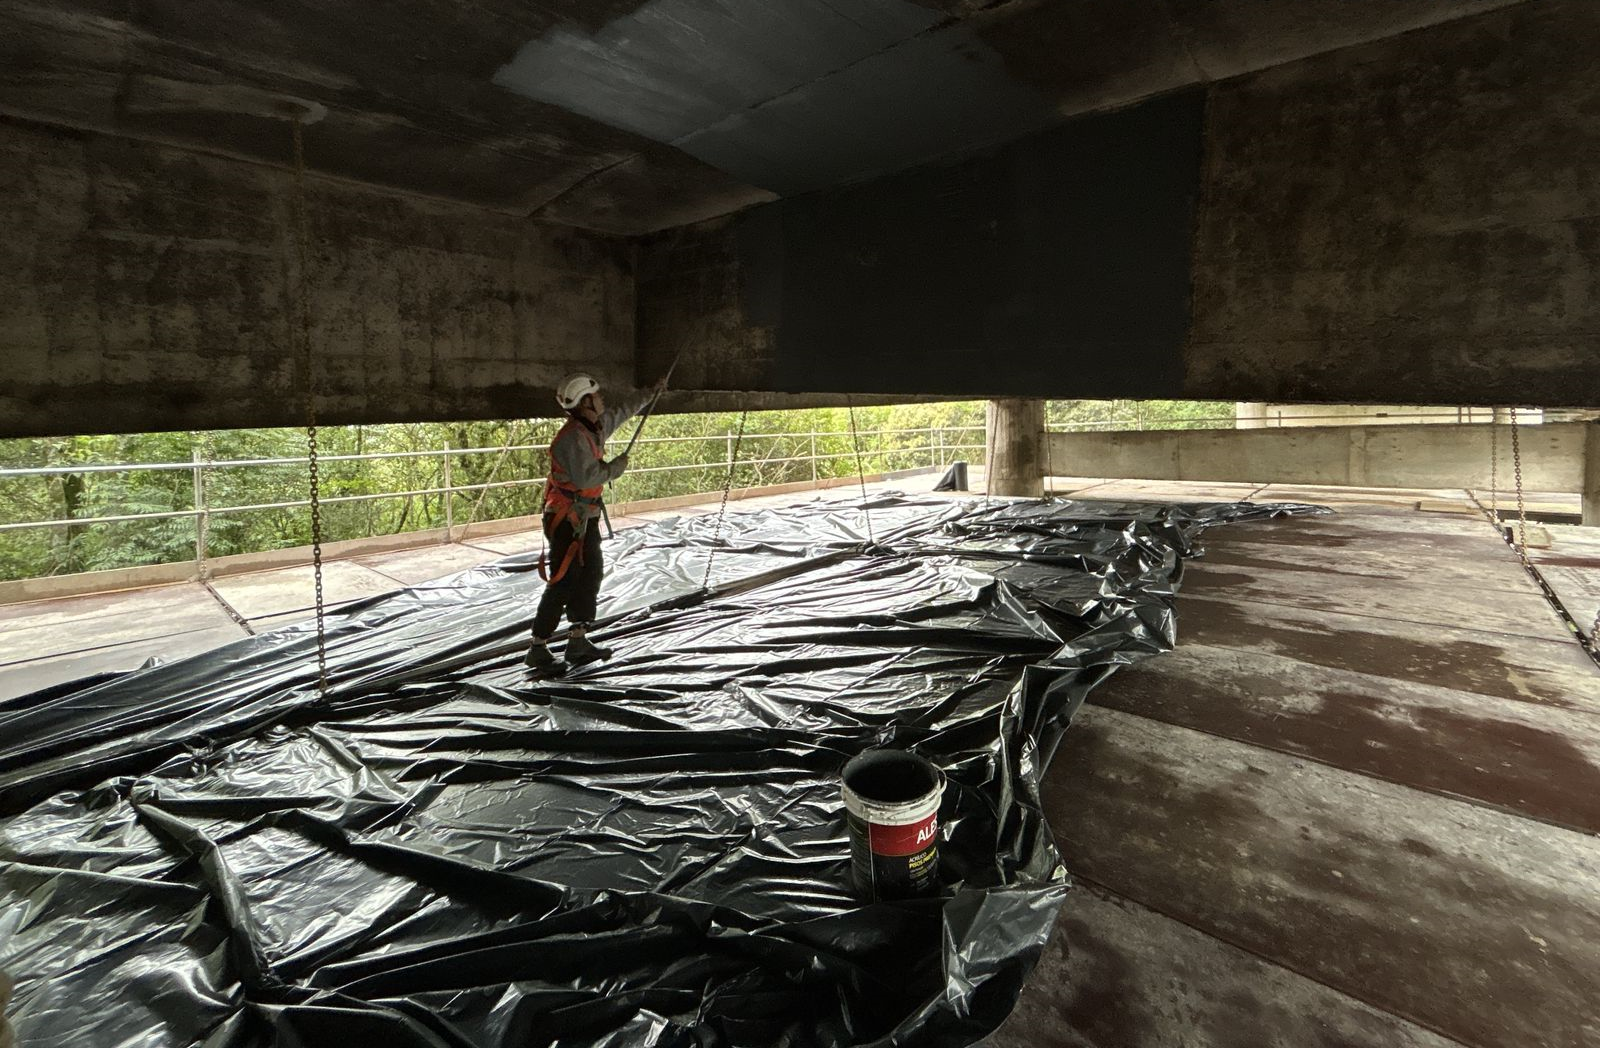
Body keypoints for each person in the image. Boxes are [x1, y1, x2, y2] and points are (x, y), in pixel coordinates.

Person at [526, 371, 664, 671]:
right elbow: (586, 476)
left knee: (590, 574)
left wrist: (651, 393)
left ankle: (578, 638)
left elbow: (622, 413)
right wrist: (615, 468)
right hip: (567, 519)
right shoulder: (573, 438)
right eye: (596, 396)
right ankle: (538, 645)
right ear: (585, 402)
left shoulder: (593, 428)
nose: (601, 399)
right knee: (564, 578)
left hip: (583, 516)